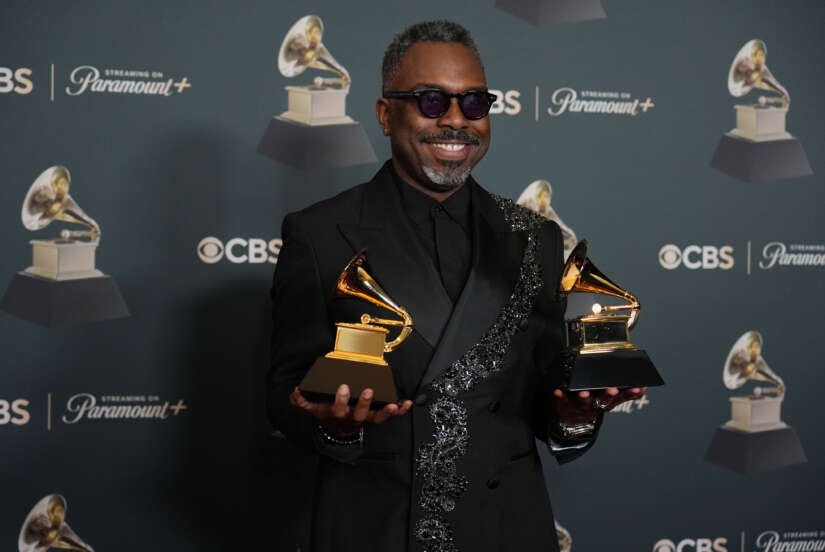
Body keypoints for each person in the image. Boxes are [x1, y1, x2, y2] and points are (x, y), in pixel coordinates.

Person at [268, 20, 647, 552]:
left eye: (474, 103)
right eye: (431, 101)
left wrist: (576, 414)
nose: (455, 120)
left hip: (507, 528)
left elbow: (543, 398)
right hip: (377, 529)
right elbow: (283, 395)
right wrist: (336, 426)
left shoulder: (535, 237)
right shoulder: (319, 233)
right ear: (385, 114)